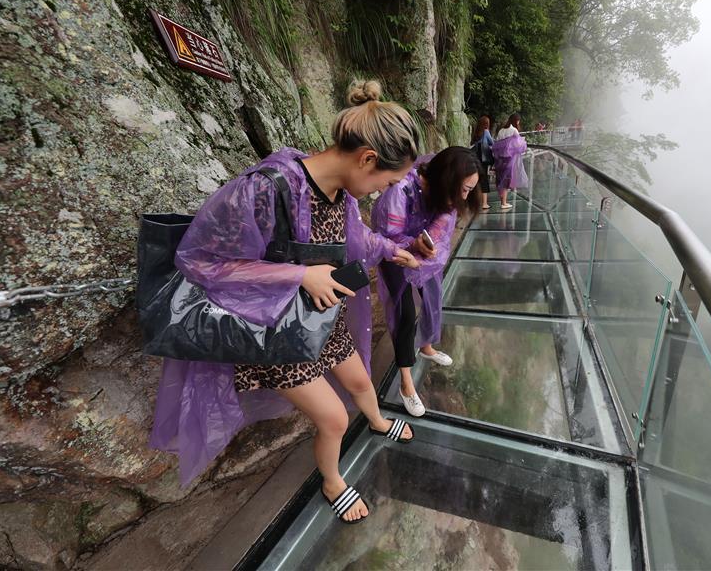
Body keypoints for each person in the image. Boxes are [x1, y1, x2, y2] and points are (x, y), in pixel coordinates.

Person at [150, 80, 421, 524]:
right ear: (367, 158)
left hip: (319, 317)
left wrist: (393, 250)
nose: (378, 192)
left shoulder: (341, 193)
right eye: (384, 182)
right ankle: (332, 482)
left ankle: (376, 420)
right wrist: (299, 274)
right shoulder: (266, 188)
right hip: (274, 332)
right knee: (333, 419)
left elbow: (357, 238)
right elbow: (202, 261)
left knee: (360, 379)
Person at [370, 147, 482, 416]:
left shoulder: (446, 198)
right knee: (405, 312)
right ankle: (406, 382)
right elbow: (387, 237)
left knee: (432, 296)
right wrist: (412, 245)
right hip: (393, 255)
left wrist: (425, 245)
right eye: (464, 189)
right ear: (448, 179)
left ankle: (426, 346)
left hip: (419, 253)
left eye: (469, 191)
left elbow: (441, 230)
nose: (464, 197)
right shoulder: (400, 192)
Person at [493, 113, 528, 209]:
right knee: (506, 179)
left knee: (500, 178)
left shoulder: (501, 131)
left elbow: (497, 143)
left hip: (499, 159)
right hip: (509, 159)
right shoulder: (514, 130)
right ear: (517, 121)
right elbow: (519, 144)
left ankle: (502, 201)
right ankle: (504, 203)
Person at [470, 115, 494, 211]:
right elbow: (492, 143)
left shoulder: (476, 133)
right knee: (484, 180)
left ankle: (476, 202)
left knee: (478, 179)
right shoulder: (486, 132)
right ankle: (484, 203)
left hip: (476, 159)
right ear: (486, 124)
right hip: (483, 160)